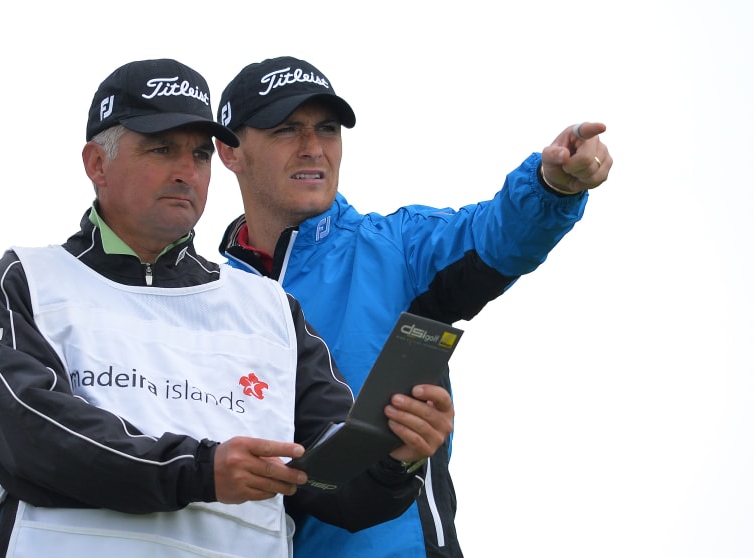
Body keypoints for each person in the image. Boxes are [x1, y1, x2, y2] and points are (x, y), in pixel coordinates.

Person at [0, 58, 456, 558]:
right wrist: (200, 470)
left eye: (200, 155)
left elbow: (334, 490)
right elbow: (32, 439)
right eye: (161, 149)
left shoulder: (270, 309)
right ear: (96, 164)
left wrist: (395, 459)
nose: (185, 172)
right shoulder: (26, 279)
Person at [214, 56, 612, 558]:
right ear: (229, 151)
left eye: (328, 129)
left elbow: (496, 235)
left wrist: (553, 185)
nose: (313, 148)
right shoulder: (207, 293)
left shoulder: (397, 248)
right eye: (286, 130)